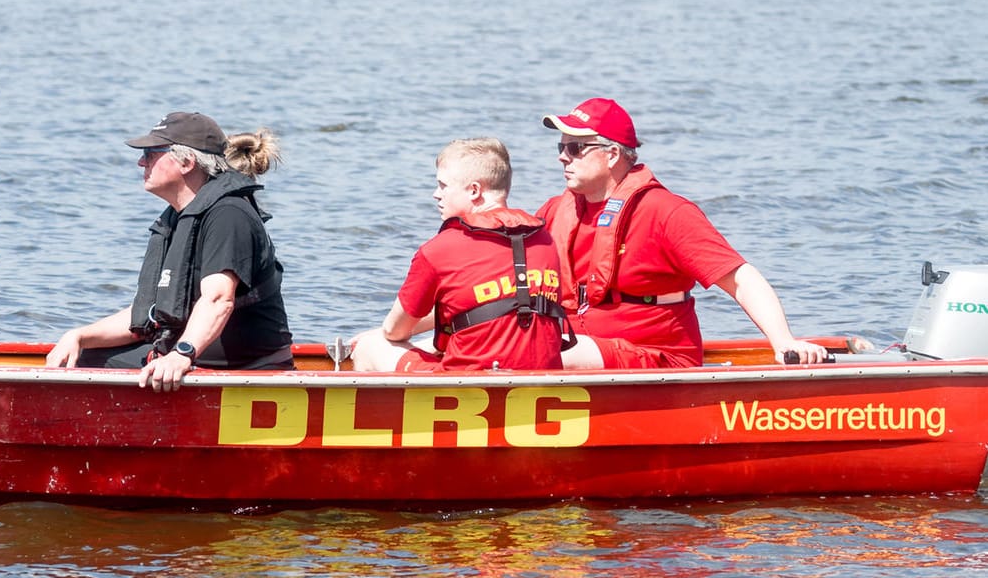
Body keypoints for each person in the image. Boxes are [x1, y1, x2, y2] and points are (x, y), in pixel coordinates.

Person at [536, 97, 829, 368]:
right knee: (514, 346)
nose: (563, 157)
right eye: (560, 148)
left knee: (550, 353)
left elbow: (741, 280)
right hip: (580, 346)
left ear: (612, 154)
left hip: (656, 356)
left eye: (575, 148)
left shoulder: (667, 213)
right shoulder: (553, 211)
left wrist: (783, 341)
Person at [46, 111, 293, 391]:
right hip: (192, 357)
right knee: (83, 356)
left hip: (248, 370)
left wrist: (182, 354)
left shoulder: (228, 215)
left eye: (152, 153)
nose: (141, 161)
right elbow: (146, 314)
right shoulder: (178, 217)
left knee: (85, 368)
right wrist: (79, 335)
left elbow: (218, 299)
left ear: (187, 162)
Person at [349, 138, 566, 372]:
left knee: (370, 344)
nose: (436, 194)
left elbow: (394, 330)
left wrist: (387, 334)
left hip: (464, 379)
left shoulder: (440, 249)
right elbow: (494, 300)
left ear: (474, 190)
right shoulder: (545, 240)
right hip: (541, 374)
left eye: (443, 186)